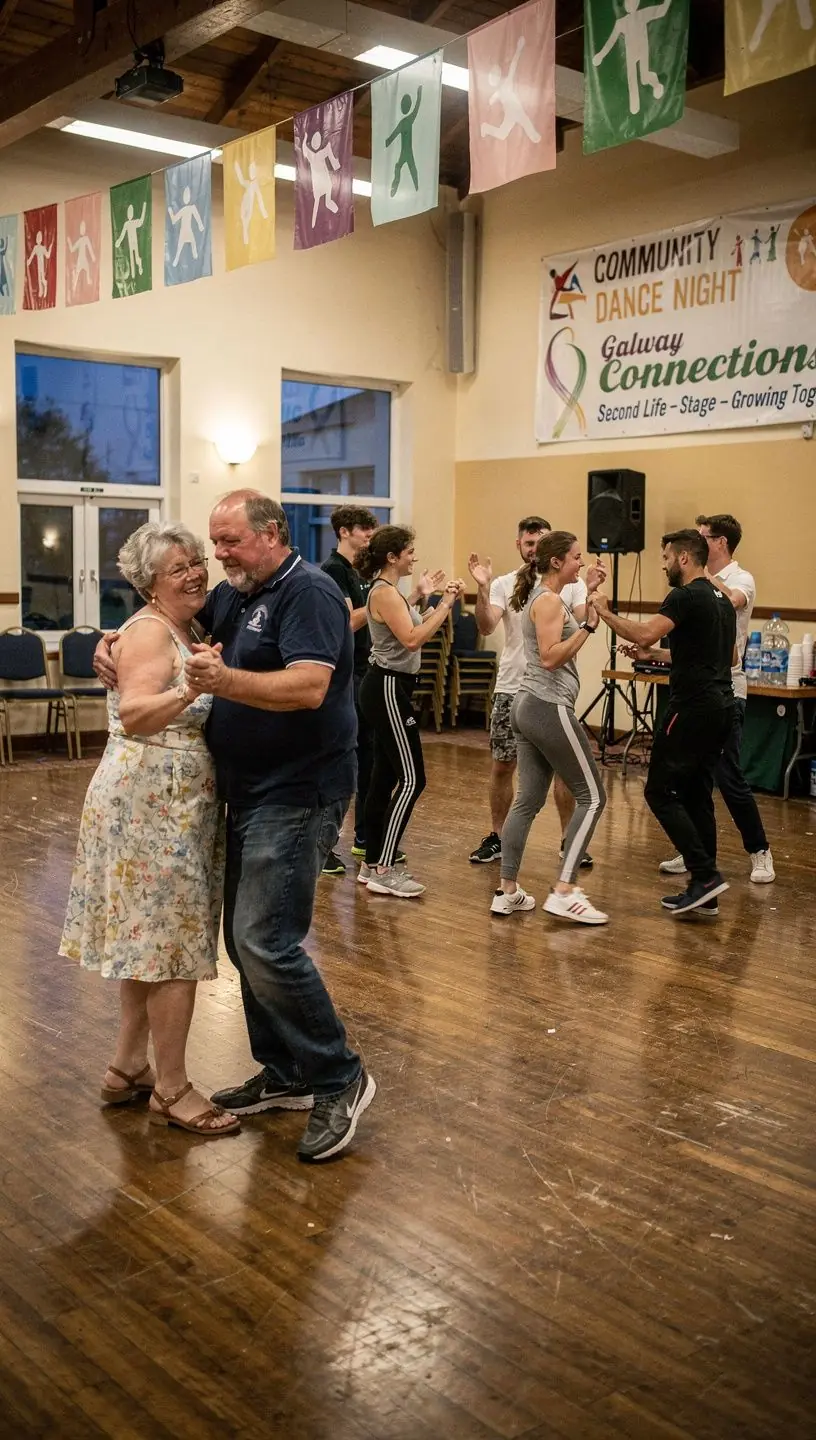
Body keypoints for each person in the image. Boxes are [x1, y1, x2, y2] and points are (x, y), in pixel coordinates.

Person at [96, 491, 375, 1162]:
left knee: (263, 938)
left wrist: (219, 685)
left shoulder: (306, 592)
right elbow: (169, 628)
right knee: (243, 937)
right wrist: (115, 645)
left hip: (298, 792)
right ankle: (285, 1071)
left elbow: (307, 687)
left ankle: (339, 1074)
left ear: (272, 534)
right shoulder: (237, 595)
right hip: (245, 794)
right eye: (206, 549)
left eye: (226, 544)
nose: (215, 560)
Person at [60, 522, 238, 1139]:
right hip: (150, 801)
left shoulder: (185, 624)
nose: (195, 573)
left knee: (150, 941)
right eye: (178, 568)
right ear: (149, 584)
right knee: (173, 949)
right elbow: (134, 714)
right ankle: (173, 1088)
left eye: (196, 562)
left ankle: (127, 1067)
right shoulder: (149, 632)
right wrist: (189, 686)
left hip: (169, 799)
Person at [594, 529, 736, 917]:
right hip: (722, 707)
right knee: (696, 795)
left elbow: (643, 630)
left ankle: (704, 875)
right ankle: (706, 893)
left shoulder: (685, 595)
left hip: (691, 709)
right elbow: (729, 658)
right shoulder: (721, 598)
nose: (663, 565)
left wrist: (604, 611)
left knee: (660, 792)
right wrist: (656, 653)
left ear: (684, 558)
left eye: (666, 558)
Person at [468, 517, 606, 868]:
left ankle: (560, 847)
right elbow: (489, 627)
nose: (533, 548)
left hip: (543, 696)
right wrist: (482, 588)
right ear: (521, 546)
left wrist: (589, 590)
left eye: (539, 542)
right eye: (528, 543)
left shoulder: (565, 588)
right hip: (526, 692)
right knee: (508, 769)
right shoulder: (513, 586)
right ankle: (505, 844)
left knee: (543, 787)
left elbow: (577, 623)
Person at [492, 532, 608, 924]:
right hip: (546, 707)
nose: (582, 562)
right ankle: (565, 890)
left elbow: (558, 638)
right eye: (577, 558)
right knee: (593, 797)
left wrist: (586, 590)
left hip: (530, 707)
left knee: (528, 800)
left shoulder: (550, 598)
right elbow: (550, 658)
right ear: (557, 562)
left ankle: (507, 892)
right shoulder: (547, 601)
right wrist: (589, 628)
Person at [658, 514, 774, 885]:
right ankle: (697, 852)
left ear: (720, 542)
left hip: (729, 690)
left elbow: (732, 601)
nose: (697, 540)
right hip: (697, 690)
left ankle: (759, 850)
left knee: (728, 776)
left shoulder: (741, 579)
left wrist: (703, 580)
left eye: (703, 536)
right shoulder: (695, 585)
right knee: (693, 778)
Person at [354, 525, 463, 897]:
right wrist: (446, 606)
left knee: (384, 779)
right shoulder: (383, 593)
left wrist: (427, 599)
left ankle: (371, 864)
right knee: (413, 779)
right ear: (392, 557)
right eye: (410, 551)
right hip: (386, 687)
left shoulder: (393, 594)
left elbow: (409, 625)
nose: (414, 557)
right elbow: (414, 638)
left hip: (393, 687)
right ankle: (385, 867)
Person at [319, 505, 378, 878]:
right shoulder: (333, 571)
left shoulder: (359, 572)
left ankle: (364, 837)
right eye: (363, 530)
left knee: (368, 760)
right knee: (343, 764)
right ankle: (322, 845)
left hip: (364, 672)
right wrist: (379, 601)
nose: (369, 536)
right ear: (344, 532)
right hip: (345, 678)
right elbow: (347, 622)